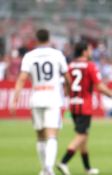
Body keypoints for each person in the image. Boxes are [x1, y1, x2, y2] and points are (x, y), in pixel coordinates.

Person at [12, 29, 70, 175]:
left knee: (40, 135)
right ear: (49, 39)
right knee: (52, 135)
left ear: (36, 39)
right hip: (53, 97)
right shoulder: (57, 55)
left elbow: (22, 78)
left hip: (37, 97)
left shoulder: (29, 56)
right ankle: (49, 168)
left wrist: (15, 98)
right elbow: (67, 76)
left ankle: (44, 169)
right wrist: (68, 90)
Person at [57, 41, 112, 175]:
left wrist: (70, 94)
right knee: (81, 135)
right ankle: (63, 162)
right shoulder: (90, 66)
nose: (91, 52)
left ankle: (88, 168)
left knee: (84, 137)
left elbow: (65, 86)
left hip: (73, 105)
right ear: (84, 51)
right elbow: (99, 86)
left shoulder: (70, 66)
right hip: (84, 106)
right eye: (90, 50)